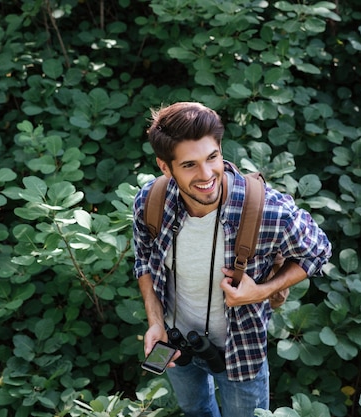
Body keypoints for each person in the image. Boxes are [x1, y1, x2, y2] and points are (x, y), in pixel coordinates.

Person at [132, 102, 332, 417]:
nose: (207, 174)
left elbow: (319, 252)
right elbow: (143, 260)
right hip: (174, 343)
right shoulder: (150, 200)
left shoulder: (267, 209)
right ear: (165, 167)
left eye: (212, 157)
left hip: (242, 353)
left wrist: (262, 292)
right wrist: (155, 322)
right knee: (195, 410)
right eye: (189, 165)